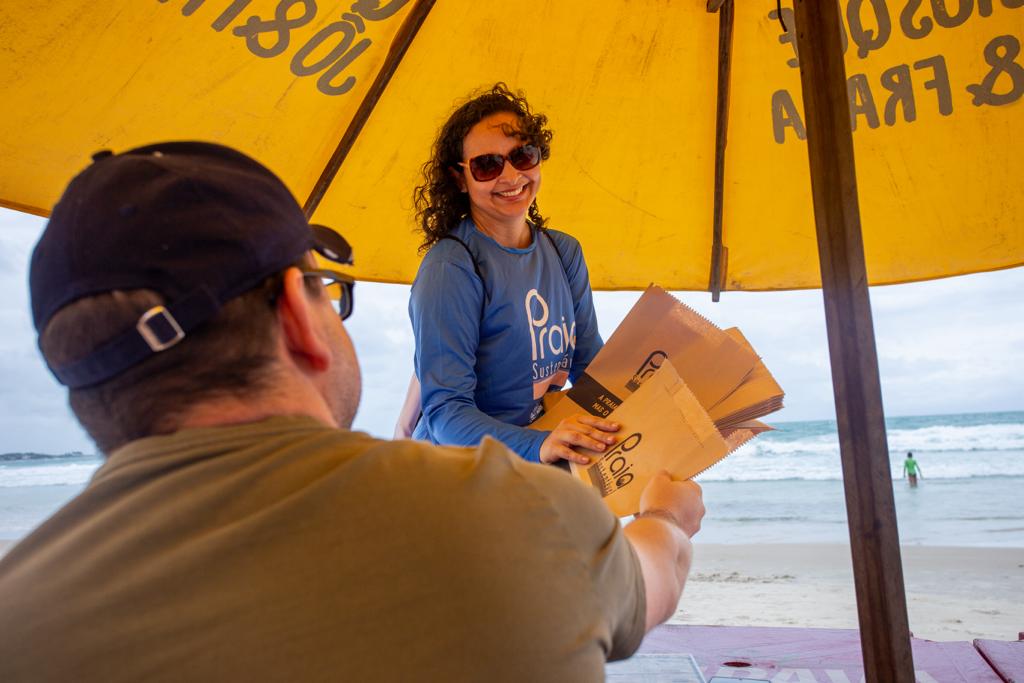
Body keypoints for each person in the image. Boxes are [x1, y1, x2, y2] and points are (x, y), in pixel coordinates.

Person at [0, 142, 706, 682]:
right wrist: (667, 517)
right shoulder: (530, 514)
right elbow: (652, 582)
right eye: (326, 287)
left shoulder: (18, 621)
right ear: (298, 318)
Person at [402, 83, 617, 467]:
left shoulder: (564, 252)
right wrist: (539, 446)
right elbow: (446, 414)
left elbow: (591, 368)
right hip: (453, 479)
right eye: (488, 165)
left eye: (522, 155)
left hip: (527, 468)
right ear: (459, 179)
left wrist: (668, 408)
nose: (511, 175)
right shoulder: (451, 268)